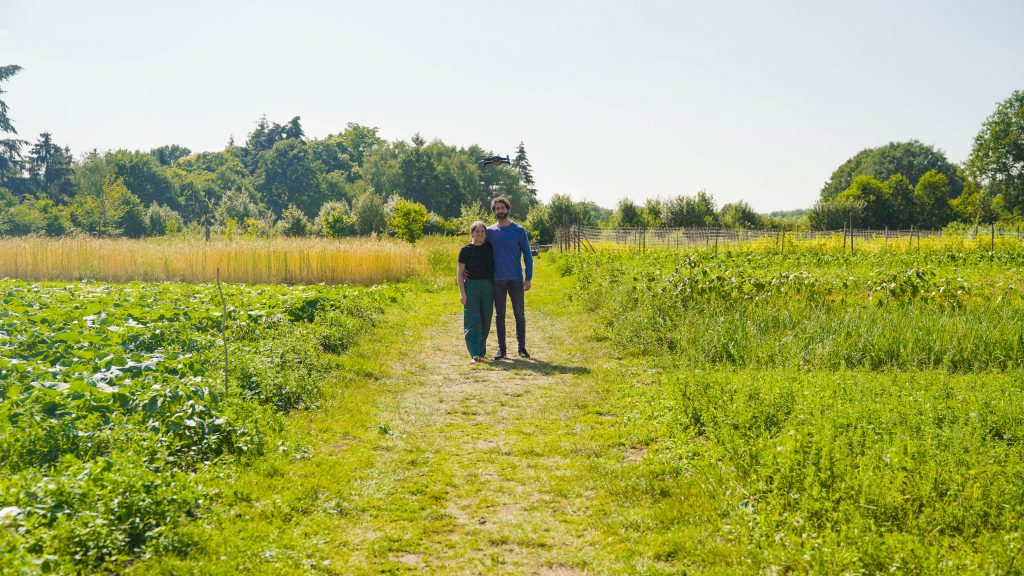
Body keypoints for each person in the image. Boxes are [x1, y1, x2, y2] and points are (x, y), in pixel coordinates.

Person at [486, 196, 533, 359]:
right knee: (499, 315)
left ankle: (522, 348)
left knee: (519, 314)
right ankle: (502, 349)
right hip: (497, 279)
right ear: (494, 212)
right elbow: (481, 252)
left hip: (515, 279)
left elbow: (527, 255)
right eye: (497, 208)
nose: (500, 211)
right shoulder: (489, 232)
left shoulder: (519, 230)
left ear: (508, 209)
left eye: (502, 208)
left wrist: (528, 277)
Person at [457, 221, 495, 363]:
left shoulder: (489, 248)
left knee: (486, 320)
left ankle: (481, 350)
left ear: (485, 234)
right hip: (471, 286)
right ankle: (474, 354)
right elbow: (460, 273)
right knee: (472, 321)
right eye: (477, 232)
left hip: (488, 287)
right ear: (471, 233)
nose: (479, 234)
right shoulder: (465, 250)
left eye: (482, 232)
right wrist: (463, 293)